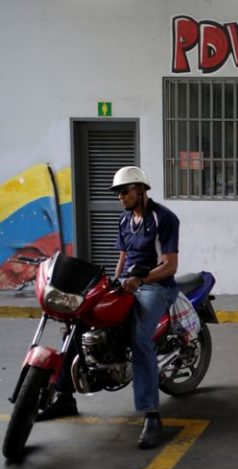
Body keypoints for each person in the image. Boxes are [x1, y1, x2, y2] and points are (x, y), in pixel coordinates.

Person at [38, 166, 180, 450]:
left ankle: (151, 415)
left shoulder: (163, 218)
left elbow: (170, 265)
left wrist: (140, 279)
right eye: (117, 193)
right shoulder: (125, 219)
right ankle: (64, 396)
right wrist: (113, 284)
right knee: (80, 320)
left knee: (140, 339)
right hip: (127, 282)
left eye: (124, 191)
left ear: (140, 189)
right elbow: (123, 258)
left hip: (156, 286)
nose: (120, 197)